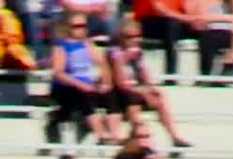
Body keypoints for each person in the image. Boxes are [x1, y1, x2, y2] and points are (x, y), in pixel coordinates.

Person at [108, 19, 190, 147]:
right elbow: (121, 83)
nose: (135, 40)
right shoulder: (116, 54)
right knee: (133, 107)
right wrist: (125, 59)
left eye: (137, 36)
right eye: (130, 37)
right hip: (120, 94)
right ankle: (138, 141)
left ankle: (174, 137)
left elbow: (145, 76)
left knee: (159, 99)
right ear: (122, 38)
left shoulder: (137, 52)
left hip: (135, 91)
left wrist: (151, 88)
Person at [47, 13, 112, 145]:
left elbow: (103, 63)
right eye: (76, 26)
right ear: (68, 28)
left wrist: (106, 82)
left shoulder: (88, 45)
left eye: (83, 26)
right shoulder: (61, 46)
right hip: (65, 87)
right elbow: (58, 73)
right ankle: (101, 134)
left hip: (86, 87)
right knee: (83, 96)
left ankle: (112, 131)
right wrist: (80, 85)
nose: (81, 29)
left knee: (112, 96)